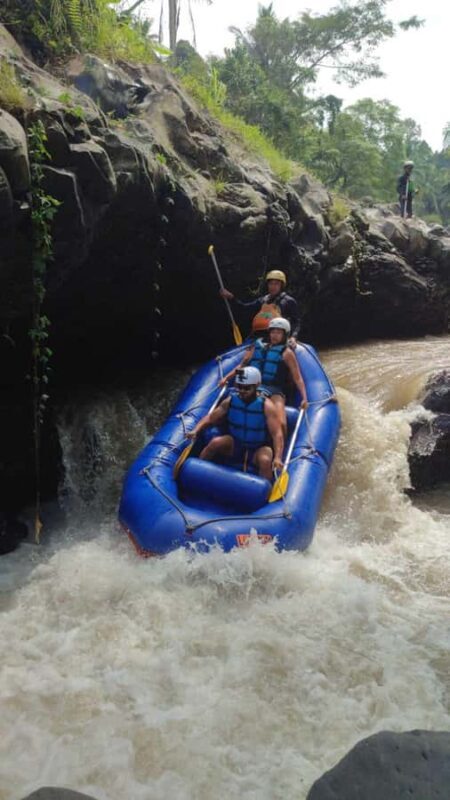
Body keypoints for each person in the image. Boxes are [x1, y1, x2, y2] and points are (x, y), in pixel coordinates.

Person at [186, 366, 283, 481]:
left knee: (265, 459)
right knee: (215, 442)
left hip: (258, 447)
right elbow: (210, 418)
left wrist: (278, 457)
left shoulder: (267, 406)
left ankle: (267, 492)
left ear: (256, 386)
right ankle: (196, 474)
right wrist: (195, 430)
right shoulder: (231, 401)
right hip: (235, 443)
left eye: (246, 388)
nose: (242, 391)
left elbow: (277, 434)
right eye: (239, 387)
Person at [219, 318, 308, 436]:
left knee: (281, 423)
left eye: (279, 332)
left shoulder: (287, 353)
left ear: (284, 335)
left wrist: (304, 398)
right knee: (228, 407)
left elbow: (297, 377)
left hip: (275, 391)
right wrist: (227, 378)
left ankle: (281, 448)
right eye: (273, 332)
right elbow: (242, 366)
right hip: (252, 386)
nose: (275, 335)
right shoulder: (256, 347)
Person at [220, 269, 300, 345]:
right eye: (271, 283)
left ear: (281, 286)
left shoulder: (288, 301)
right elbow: (244, 308)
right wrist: (232, 298)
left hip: (276, 337)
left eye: (276, 284)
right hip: (257, 336)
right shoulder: (262, 300)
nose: (273, 286)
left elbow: (296, 322)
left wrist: (293, 337)